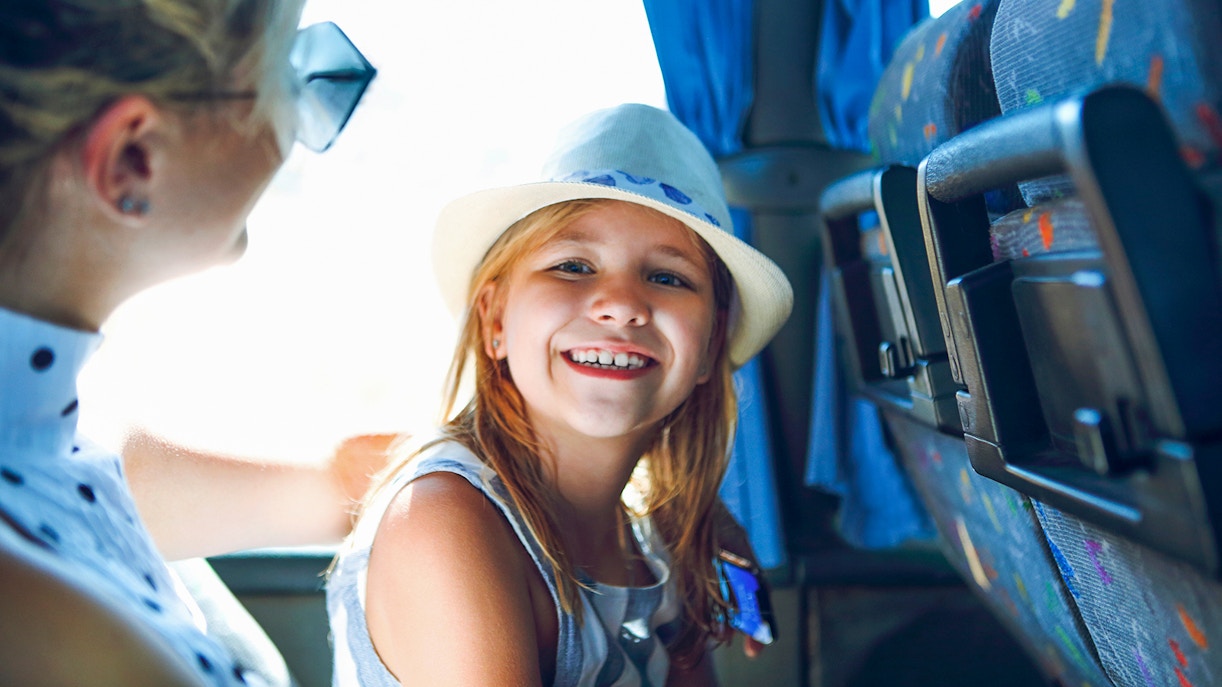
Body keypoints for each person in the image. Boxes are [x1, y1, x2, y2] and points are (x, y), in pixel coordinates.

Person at [327, 103, 794, 686]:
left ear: (709, 345)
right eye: (573, 265)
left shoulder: (651, 545)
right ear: (495, 320)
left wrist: (701, 519)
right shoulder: (446, 522)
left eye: (668, 277)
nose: (621, 303)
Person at [0, 2, 377, 685]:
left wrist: (427, 481)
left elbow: (133, 483)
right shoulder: (34, 621)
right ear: (132, 159)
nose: (295, 131)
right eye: (282, 82)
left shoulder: (63, 436)